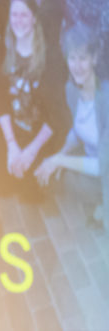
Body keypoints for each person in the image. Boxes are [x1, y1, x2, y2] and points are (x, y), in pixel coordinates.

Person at [0, 0, 68, 201]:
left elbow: (56, 115)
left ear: (34, 18)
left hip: (41, 133)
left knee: (33, 195)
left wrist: (30, 151)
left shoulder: (51, 56)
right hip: (14, 131)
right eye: (14, 15)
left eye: (24, 15)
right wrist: (11, 145)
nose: (18, 21)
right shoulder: (4, 49)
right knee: (2, 186)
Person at [35, 24, 109, 225]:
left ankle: (101, 203)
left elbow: (104, 165)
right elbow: (77, 131)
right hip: (95, 159)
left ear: (94, 58)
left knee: (62, 171)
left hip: (105, 166)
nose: (77, 65)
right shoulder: (72, 89)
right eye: (72, 58)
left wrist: (60, 160)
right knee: (51, 171)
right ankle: (95, 201)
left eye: (83, 58)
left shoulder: (106, 100)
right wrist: (62, 153)